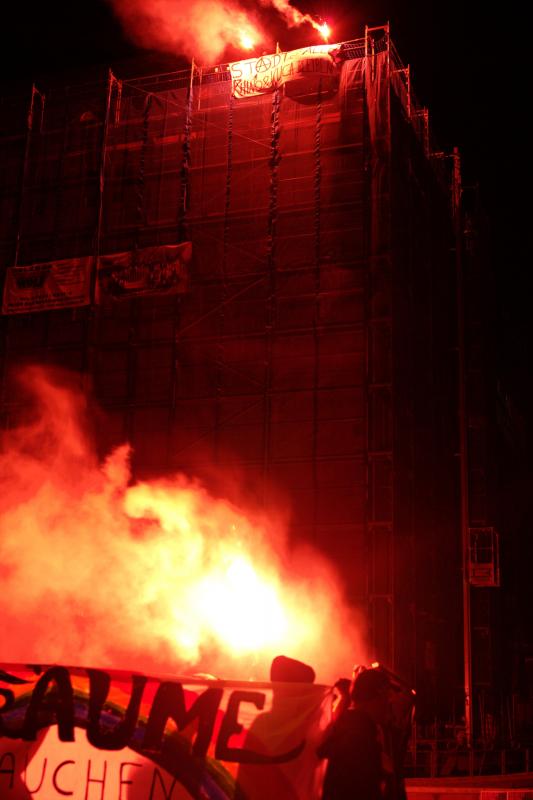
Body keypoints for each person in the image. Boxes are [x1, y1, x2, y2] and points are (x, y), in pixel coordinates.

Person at [317, 667, 393, 800]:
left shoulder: (347, 728)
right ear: (375, 698)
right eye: (386, 697)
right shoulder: (360, 737)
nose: (389, 703)